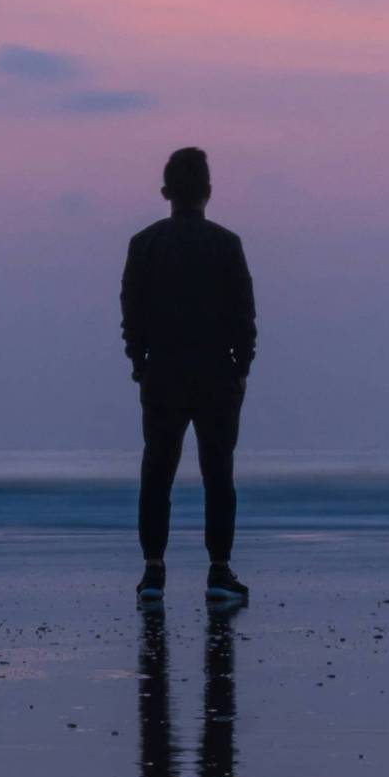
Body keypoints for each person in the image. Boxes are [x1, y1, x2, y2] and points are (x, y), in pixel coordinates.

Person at [123, 146, 256, 601]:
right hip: (217, 375)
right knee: (218, 474)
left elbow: (132, 312)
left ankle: (153, 571)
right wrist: (242, 367)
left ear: (166, 192)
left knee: (157, 473)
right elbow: (244, 315)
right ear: (208, 192)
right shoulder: (226, 244)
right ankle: (219, 570)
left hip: (163, 374)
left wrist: (140, 362)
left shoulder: (144, 244)